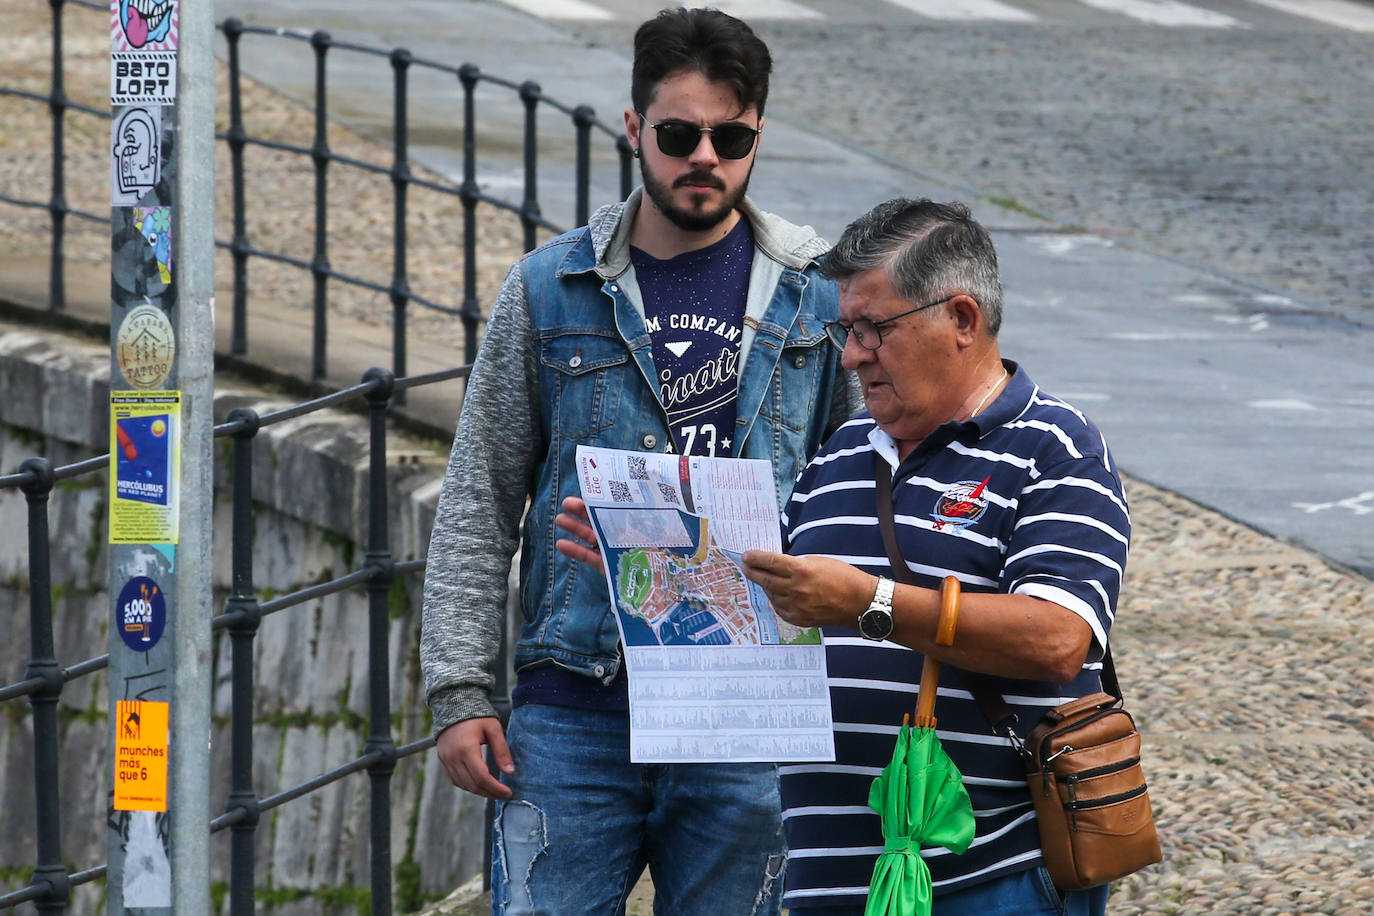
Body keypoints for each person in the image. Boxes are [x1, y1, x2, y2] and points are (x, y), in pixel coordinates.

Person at [419, 8, 862, 914]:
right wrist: (460, 691)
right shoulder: (550, 288)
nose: (705, 156)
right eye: (678, 133)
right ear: (634, 129)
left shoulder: (820, 298)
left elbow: (856, 492)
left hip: (749, 711)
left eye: (731, 136)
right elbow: (479, 498)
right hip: (577, 700)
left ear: (757, 135)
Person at [739, 198, 1127, 915]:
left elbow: (1057, 639)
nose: (852, 354)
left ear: (962, 320)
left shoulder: (1055, 447)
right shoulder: (841, 453)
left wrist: (870, 604)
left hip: (988, 878)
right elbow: (776, 618)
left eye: (873, 330)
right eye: (846, 329)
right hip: (829, 881)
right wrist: (653, 568)